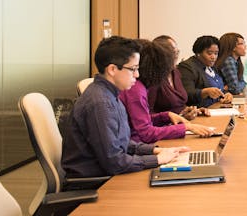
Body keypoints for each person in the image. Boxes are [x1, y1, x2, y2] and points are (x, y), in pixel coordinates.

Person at [62, 36, 188, 177]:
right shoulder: (101, 103)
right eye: (133, 69)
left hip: (108, 173)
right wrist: (157, 159)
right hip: (97, 182)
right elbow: (114, 162)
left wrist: (155, 150)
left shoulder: (111, 95)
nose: (137, 74)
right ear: (112, 69)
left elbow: (122, 143)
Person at [119, 39, 214, 143]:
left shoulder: (140, 86)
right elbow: (146, 133)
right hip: (139, 146)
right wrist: (186, 128)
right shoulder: (136, 89)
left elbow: (142, 119)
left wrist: (166, 116)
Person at [146, 35, 199, 119]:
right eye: (173, 52)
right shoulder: (153, 77)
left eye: (177, 52)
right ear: (161, 54)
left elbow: (180, 104)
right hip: (165, 127)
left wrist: (192, 110)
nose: (176, 56)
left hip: (183, 123)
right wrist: (176, 117)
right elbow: (147, 114)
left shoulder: (175, 72)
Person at [178, 35, 233, 107]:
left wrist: (226, 94)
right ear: (198, 53)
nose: (213, 57)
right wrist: (204, 92)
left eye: (216, 53)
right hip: (199, 111)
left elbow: (219, 88)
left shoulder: (212, 67)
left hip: (216, 107)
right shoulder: (187, 67)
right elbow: (187, 94)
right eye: (209, 53)